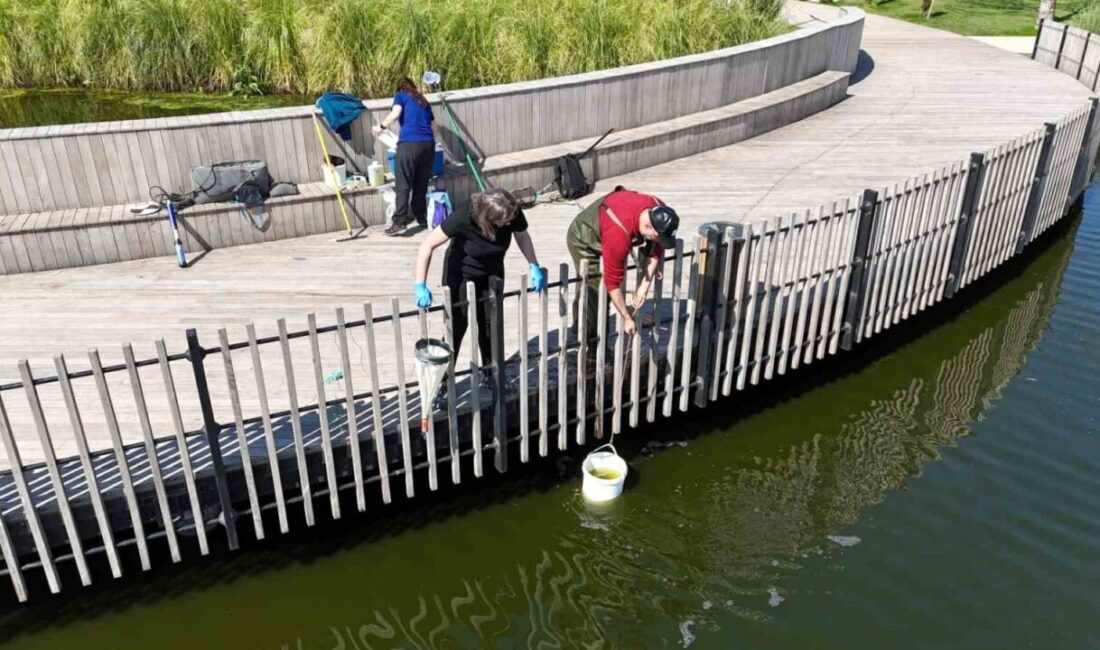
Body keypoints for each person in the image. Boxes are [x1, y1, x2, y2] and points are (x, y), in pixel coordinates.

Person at [413, 189, 546, 392]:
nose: (510, 223)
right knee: (456, 328)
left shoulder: (511, 210)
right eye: (505, 222)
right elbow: (427, 245)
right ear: (488, 220)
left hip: (492, 273)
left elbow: (522, 236)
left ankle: (490, 375)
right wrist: (420, 284)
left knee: (489, 326)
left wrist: (533, 264)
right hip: (461, 273)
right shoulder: (464, 215)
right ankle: (443, 385)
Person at [565, 187, 679, 344]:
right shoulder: (618, 235)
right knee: (595, 292)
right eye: (659, 238)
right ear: (648, 227)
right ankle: (591, 346)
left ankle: (581, 323)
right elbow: (612, 283)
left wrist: (643, 289)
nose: (659, 241)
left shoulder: (658, 208)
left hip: (610, 224)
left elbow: (656, 249)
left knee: (592, 289)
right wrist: (626, 317)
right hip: (584, 237)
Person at [373, 78, 437, 235]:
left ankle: (400, 222)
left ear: (400, 88)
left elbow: (395, 113)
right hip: (428, 145)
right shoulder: (423, 100)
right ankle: (421, 217)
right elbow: (433, 127)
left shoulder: (401, 95)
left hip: (409, 144)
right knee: (421, 184)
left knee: (403, 185)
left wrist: (380, 127)